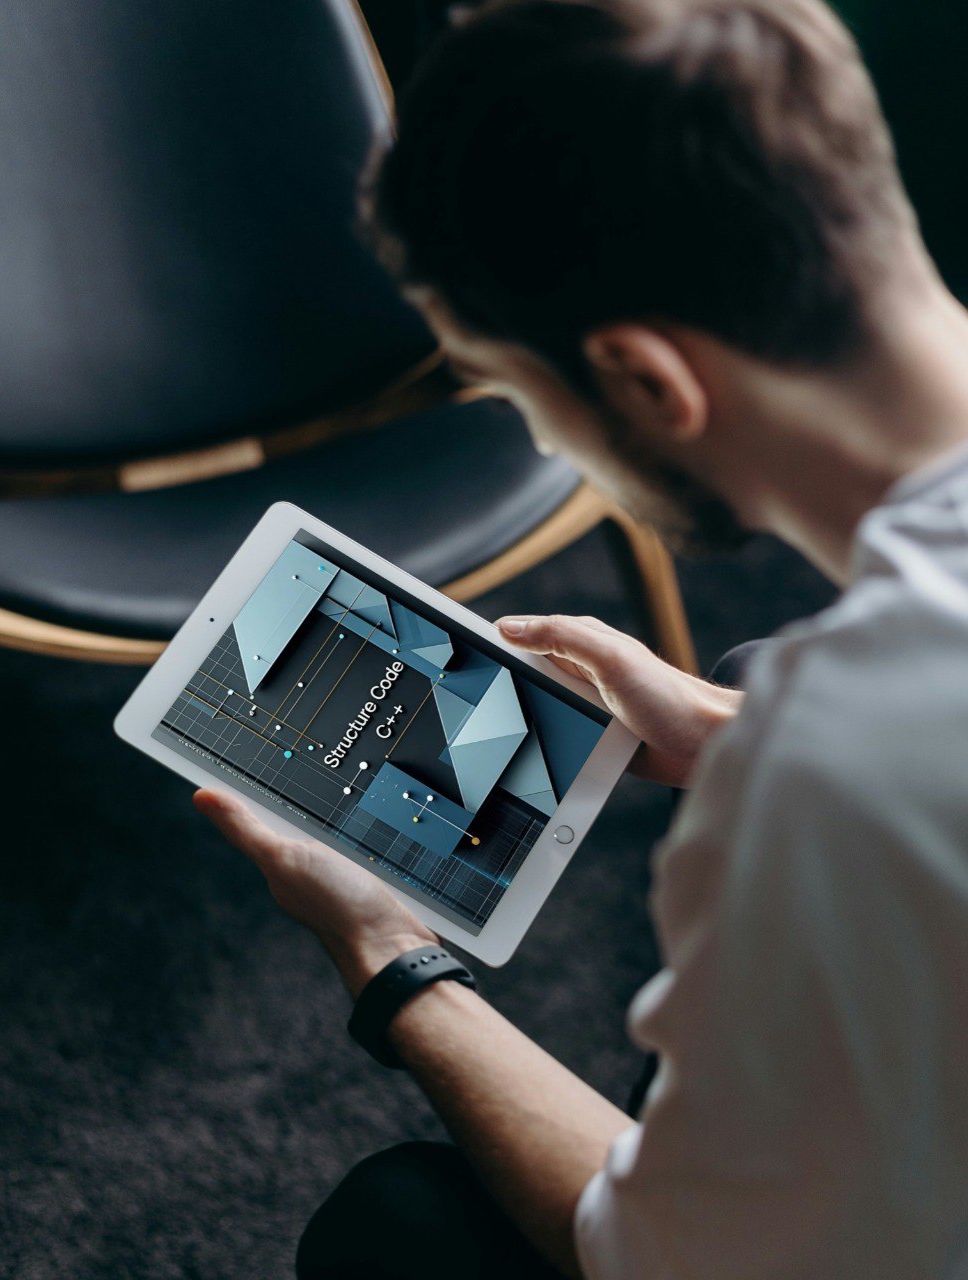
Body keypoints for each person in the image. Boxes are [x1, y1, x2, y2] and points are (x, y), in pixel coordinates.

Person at [194, 0, 968, 1275]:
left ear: (646, 379)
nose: (546, 443)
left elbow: (652, 1258)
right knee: (746, 681)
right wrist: (733, 735)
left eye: (519, 394)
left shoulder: (831, 775)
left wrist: (390, 961)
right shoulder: (840, 736)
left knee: (399, 1229)